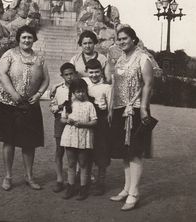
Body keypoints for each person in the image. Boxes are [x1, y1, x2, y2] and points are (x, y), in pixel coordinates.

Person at [0, 25, 49, 191]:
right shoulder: (9, 55)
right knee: (9, 141)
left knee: (29, 143)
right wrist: (14, 94)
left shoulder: (40, 58)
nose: (27, 40)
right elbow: (2, 74)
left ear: (34, 40)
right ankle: (8, 176)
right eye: (24, 37)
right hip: (9, 104)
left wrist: (38, 94)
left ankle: (29, 176)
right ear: (19, 39)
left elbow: (45, 79)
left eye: (30, 37)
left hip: (30, 105)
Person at [108, 26, 154, 211]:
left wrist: (143, 108)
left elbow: (148, 85)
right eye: (119, 39)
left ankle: (134, 193)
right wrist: (112, 108)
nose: (121, 42)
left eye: (125, 38)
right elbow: (114, 85)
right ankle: (126, 189)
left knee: (135, 151)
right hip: (120, 109)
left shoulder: (143, 58)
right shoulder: (120, 59)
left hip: (135, 110)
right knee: (124, 152)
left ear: (134, 39)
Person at [60, 78, 97, 200]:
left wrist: (83, 124)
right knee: (71, 163)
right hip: (70, 137)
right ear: (73, 92)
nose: (80, 94)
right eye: (77, 92)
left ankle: (83, 188)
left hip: (83, 137)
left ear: (85, 91)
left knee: (83, 163)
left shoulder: (89, 105)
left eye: (82, 91)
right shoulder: (68, 104)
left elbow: (94, 121)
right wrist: (68, 121)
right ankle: (70, 187)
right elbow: (62, 119)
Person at [84, 59, 112, 195]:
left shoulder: (107, 87)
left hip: (101, 120)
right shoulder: (85, 83)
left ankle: (101, 182)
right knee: (86, 149)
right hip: (86, 119)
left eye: (96, 72)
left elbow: (110, 107)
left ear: (101, 72)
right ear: (86, 72)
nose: (94, 75)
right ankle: (87, 180)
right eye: (91, 72)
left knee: (101, 150)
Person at [49, 62, 77, 193]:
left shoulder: (80, 87)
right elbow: (52, 107)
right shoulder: (58, 89)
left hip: (75, 121)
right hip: (60, 121)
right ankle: (59, 179)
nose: (69, 77)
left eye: (71, 74)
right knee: (59, 151)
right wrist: (60, 107)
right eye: (66, 75)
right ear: (62, 76)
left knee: (74, 151)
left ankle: (73, 180)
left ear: (75, 73)